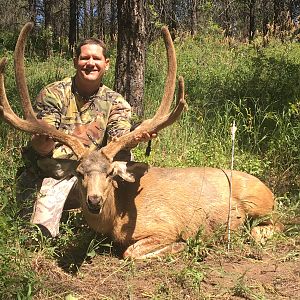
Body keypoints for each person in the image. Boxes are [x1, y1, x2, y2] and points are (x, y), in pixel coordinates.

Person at [17, 37, 152, 238]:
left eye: (96, 58)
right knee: (37, 236)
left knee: (125, 162)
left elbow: (120, 139)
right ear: (75, 61)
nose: (90, 63)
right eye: (84, 58)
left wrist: (138, 136)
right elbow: (43, 147)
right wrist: (42, 142)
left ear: (106, 63)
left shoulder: (116, 102)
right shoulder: (53, 93)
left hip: (95, 176)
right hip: (55, 173)